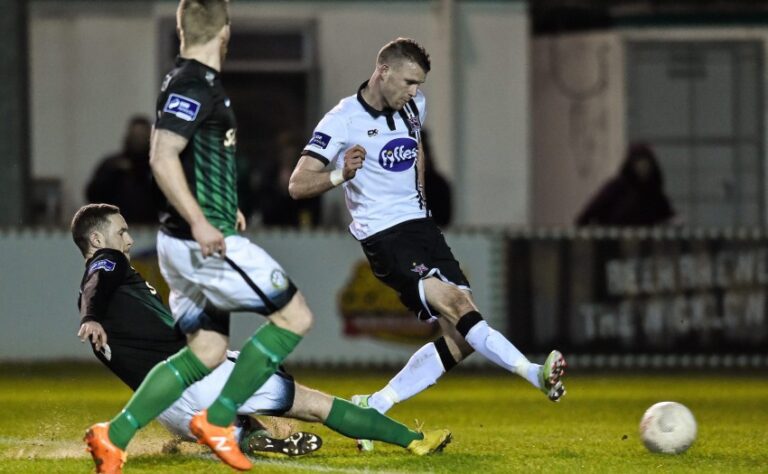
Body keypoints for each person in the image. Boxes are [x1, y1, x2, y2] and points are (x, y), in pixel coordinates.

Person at [149, 2, 448, 471]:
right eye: (409, 82)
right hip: (197, 253)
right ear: (225, 33)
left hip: (174, 396)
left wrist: (221, 209)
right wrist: (201, 222)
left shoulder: (186, 80)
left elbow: (189, 158)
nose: (414, 93)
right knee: (295, 327)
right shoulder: (195, 83)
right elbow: (163, 155)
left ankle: (130, 432)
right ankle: (228, 422)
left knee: (209, 347)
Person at [289, 37, 567, 451]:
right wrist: (339, 176)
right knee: (457, 306)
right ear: (382, 72)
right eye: (408, 82)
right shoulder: (342, 120)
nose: (414, 91)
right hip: (385, 237)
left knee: (462, 337)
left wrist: (422, 206)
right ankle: (533, 373)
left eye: (419, 84)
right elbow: (297, 185)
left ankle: (374, 405)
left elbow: (416, 153)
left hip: (422, 228)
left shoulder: (414, 106)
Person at [73, 204, 451, 473]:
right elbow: (98, 279)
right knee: (313, 404)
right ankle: (414, 439)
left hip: (168, 410)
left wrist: (91, 314)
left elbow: (97, 290)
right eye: (121, 232)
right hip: (199, 378)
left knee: (239, 419)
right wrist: (90, 315)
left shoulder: (103, 297)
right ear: (97, 238)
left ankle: (254, 438)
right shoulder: (108, 263)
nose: (128, 240)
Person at [576, 143, 675, 226]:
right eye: (639, 164)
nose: (642, 169)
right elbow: (587, 215)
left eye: (646, 165)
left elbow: (669, 218)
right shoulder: (617, 187)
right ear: (631, 165)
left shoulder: (653, 193)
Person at [85, 116, 159, 224]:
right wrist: (113, 173)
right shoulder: (112, 164)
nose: (139, 140)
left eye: (142, 136)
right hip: (116, 226)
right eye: (135, 136)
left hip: (153, 227)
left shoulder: (160, 167)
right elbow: (92, 195)